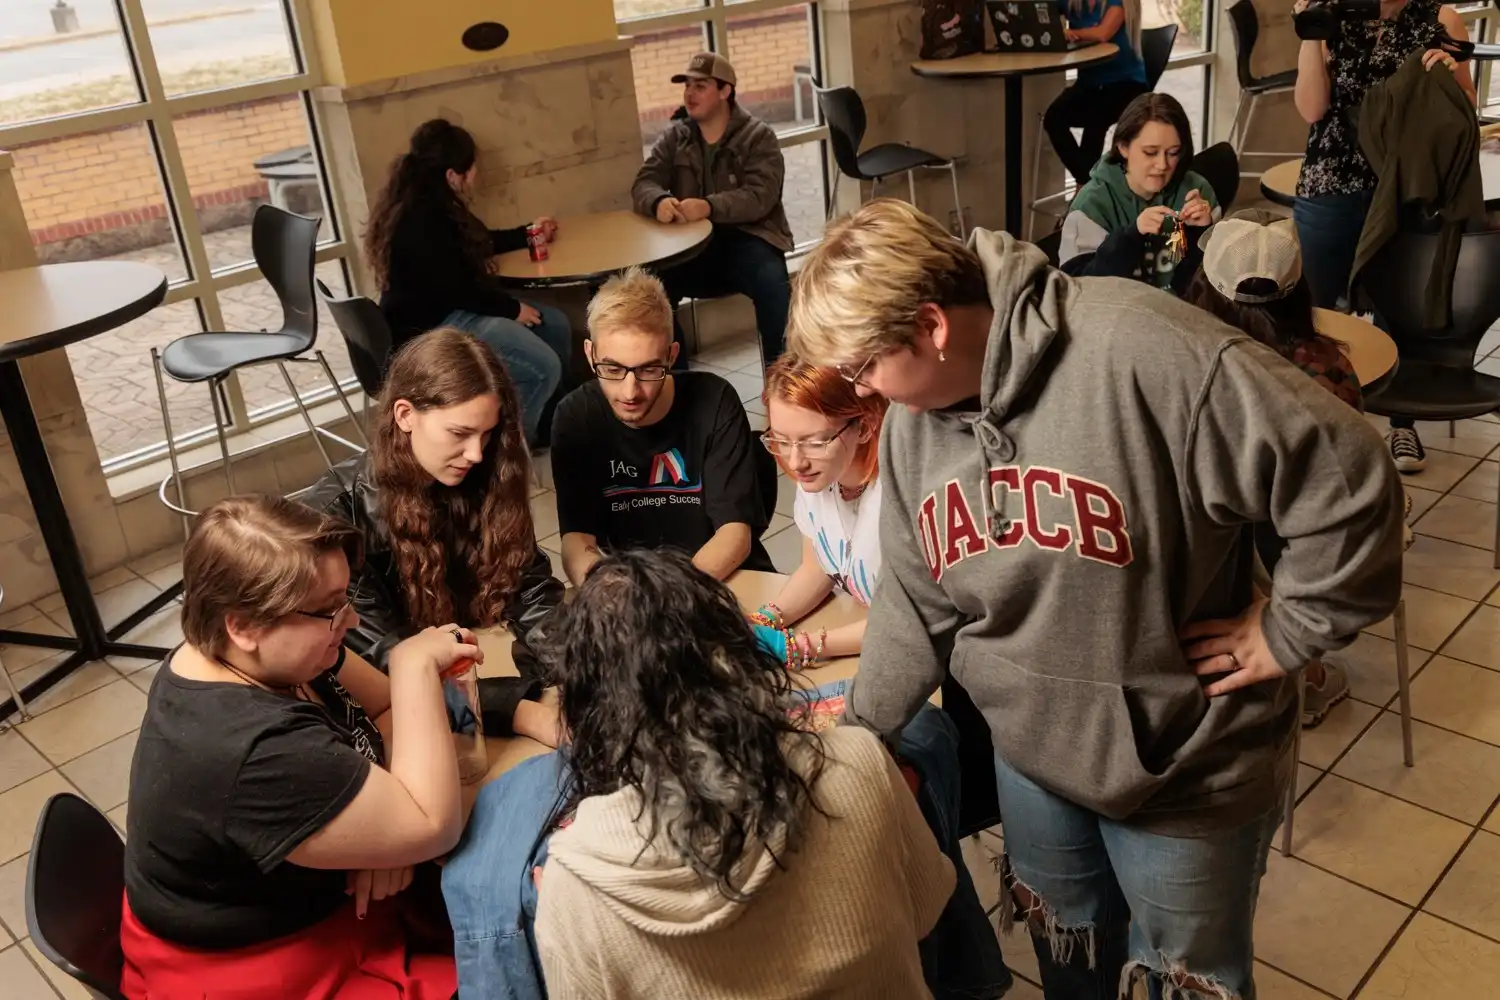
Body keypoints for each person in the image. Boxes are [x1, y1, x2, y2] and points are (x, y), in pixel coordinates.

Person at [787, 199, 1405, 999]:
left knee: (1189, 981)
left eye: (866, 365)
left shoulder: (1144, 349)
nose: (863, 392)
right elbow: (914, 601)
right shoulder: (914, 423)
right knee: (1070, 965)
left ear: (933, 326)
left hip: (1186, 765)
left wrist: (1288, 629)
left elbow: (1349, 476)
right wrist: (862, 738)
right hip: (1035, 758)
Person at [521, 548, 959, 998]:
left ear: (586, 711)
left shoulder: (574, 886)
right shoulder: (859, 760)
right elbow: (926, 906)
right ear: (738, 655)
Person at [121, 494, 478, 999]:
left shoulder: (262, 653)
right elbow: (436, 825)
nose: (350, 622)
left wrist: (393, 829)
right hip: (265, 967)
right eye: (330, 609)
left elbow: (383, 709)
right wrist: (412, 667)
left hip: (289, 913)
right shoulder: (253, 748)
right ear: (243, 625)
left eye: (344, 598)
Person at [749, 355, 1014, 1000]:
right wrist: (767, 615)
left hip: (948, 681)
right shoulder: (820, 480)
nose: (794, 460)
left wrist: (804, 645)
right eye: (779, 440)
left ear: (865, 423)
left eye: (812, 440)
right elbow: (821, 563)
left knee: (882, 794)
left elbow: (910, 617)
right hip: (880, 663)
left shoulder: (901, 488)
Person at [304, 328, 562, 745]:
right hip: (406, 703)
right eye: (459, 434)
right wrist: (519, 710)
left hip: (471, 668)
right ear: (405, 415)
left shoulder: (484, 472)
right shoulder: (337, 518)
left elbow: (532, 591)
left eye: (487, 434)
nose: (477, 454)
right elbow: (387, 659)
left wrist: (580, 676)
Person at [1185, 210, 1367, 728]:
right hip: (1298, 562)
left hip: (1201, 569)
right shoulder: (1326, 368)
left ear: (1205, 284)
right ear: (1297, 288)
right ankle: (1305, 677)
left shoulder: (1188, 363)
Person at [1292, 0, 1476, 473]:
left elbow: (1466, 117)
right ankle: (1323, 427)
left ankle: (1402, 425)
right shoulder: (1330, 12)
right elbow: (1312, 108)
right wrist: (1313, 33)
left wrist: (1450, 72)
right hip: (1330, 183)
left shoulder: (1441, 18)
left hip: (1403, 190)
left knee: (1400, 313)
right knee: (1315, 316)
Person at [552, 266, 772, 585]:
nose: (630, 391)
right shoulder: (574, 417)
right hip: (629, 595)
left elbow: (735, 534)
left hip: (718, 581)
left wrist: (671, 598)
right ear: (590, 354)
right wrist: (608, 595)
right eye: (612, 369)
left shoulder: (715, 401)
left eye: (648, 370)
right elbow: (576, 540)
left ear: (671, 356)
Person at [365, 117, 573, 446]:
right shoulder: (420, 220)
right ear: (453, 176)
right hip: (431, 331)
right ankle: (510, 449)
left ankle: (554, 419)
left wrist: (527, 234)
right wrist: (511, 308)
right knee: (543, 366)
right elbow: (456, 288)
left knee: (555, 324)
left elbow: (473, 243)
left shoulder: (432, 204)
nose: (477, 175)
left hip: (450, 313)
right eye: (473, 168)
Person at [632, 51, 793, 369]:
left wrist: (708, 206)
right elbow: (644, 182)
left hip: (749, 240)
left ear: (725, 91)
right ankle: (675, 387)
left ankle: (784, 387)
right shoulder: (676, 136)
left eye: (700, 86)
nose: (690, 94)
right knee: (648, 286)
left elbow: (760, 197)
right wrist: (658, 201)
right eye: (687, 86)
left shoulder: (758, 137)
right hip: (692, 247)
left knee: (774, 284)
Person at [1058, 92, 1218, 293]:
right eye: (1150, 152)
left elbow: (1214, 290)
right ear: (1123, 147)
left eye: (1173, 152)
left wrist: (1202, 234)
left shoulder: (1198, 192)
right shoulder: (1091, 207)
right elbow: (1078, 294)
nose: (1162, 165)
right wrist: (1131, 237)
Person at [1043, 0, 1148, 188]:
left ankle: (1085, 189)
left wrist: (1069, 34)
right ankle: (1087, 183)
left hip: (1126, 83)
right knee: (1053, 118)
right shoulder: (1073, 3)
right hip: (1090, 83)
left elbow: (1103, 33)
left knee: (1095, 120)